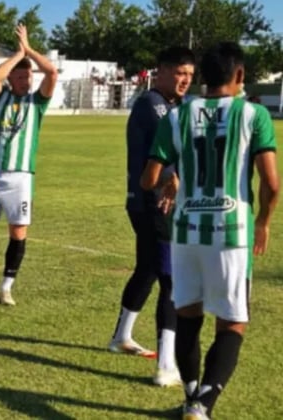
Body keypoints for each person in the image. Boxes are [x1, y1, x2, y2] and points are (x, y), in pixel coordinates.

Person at [141, 41, 279, 419]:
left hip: (186, 232)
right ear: (240, 74)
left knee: (187, 315)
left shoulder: (178, 116)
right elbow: (271, 182)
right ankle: (202, 405)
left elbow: (149, 177)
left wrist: (171, 180)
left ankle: (190, 396)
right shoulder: (253, 114)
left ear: (203, 75)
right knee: (232, 323)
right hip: (231, 232)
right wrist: (264, 222)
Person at [108, 46, 195, 388]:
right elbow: (162, 156)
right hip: (154, 203)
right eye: (179, 73)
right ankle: (166, 364)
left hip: (155, 203)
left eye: (189, 74)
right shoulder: (153, 104)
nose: (185, 80)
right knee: (171, 279)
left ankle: (121, 336)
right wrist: (172, 178)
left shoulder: (174, 106)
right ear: (161, 71)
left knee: (147, 269)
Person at [0, 24, 58, 306]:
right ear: (11, 78)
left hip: (21, 177)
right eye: (20, 77)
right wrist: (17, 55)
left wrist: (29, 50)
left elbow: (52, 73)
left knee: (18, 232)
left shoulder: (37, 103)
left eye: (28, 76)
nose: (25, 81)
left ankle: (6, 288)